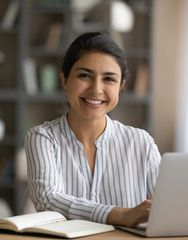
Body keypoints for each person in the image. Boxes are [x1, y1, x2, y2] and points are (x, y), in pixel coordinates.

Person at [25, 32, 161, 227]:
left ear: (121, 86)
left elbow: (165, 208)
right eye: (85, 75)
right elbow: (48, 200)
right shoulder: (41, 138)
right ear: (64, 80)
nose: (96, 89)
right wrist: (120, 215)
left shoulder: (142, 142)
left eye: (109, 79)